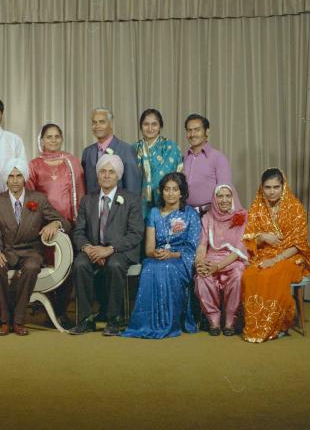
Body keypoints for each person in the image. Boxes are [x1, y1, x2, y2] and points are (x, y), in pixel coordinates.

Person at [0, 158, 69, 335]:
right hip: (6, 251)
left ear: (24, 178)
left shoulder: (38, 199)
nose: (15, 180)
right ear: (6, 179)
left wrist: (55, 224)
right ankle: (4, 319)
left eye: (18, 176)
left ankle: (19, 319)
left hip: (31, 252)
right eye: (11, 176)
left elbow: (64, 222)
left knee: (32, 267)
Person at [69, 154, 144, 336]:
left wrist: (109, 250)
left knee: (115, 264)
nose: (107, 175)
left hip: (119, 250)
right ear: (97, 175)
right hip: (93, 249)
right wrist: (89, 249)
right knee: (79, 264)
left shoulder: (131, 200)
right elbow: (78, 232)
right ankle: (86, 320)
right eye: (103, 171)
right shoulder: (88, 200)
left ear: (118, 175)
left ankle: (113, 320)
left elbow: (136, 234)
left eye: (111, 172)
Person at [121, 172, 201, 339]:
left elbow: (192, 248)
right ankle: (146, 323)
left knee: (167, 268)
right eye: (166, 189)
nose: (170, 193)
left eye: (175, 189)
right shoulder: (154, 213)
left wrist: (171, 254)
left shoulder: (190, 214)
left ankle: (168, 323)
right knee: (149, 268)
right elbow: (149, 249)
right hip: (157, 257)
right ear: (161, 192)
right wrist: (156, 253)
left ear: (182, 192)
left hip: (180, 259)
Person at [241, 168, 310, 343]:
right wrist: (262, 237)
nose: (272, 191)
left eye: (276, 187)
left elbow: (299, 245)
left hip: (289, 257)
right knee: (249, 275)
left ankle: (277, 326)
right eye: (267, 187)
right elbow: (248, 238)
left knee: (271, 275)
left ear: (283, 186)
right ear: (262, 187)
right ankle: (255, 325)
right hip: (263, 255)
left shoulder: (295, 209)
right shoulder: (257, 208)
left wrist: (275, 260)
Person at [26, 122, 86, 326]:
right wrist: (41, 222)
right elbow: (30, 197)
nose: (53, 140)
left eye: (56, 137)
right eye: (48, 137)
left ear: (61, 139)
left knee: (66, 264)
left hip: (69, 222)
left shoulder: (71, 161)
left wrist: (77, 221)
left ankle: (60, 312)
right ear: (41, 140)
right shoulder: (34, 164)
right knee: (48, 266)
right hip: (43, 226)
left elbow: (80, 191)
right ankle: (47, 309)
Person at [194, 184, 247, 336]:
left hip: (232, 260)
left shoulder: (242, 216)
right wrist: (200, 262)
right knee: (202, 276)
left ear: (233, 198)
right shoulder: (208, 218)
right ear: (214, 199)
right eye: (220, 196)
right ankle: (213, 320)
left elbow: (238, 249)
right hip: (211, 258)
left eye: (227, 196)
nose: (224, 200)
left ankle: (230, 320)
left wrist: (217, 267)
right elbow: (202, 244)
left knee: (237, 274)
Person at [133, 108, 183, 220]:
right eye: (146, 124)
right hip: (139, 205)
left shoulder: (171, 147)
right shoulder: (133, 149)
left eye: (154, 124)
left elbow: (174, 177)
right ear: (141, 127)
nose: (150, 128)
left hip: (166, 203)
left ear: (160, 126)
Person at [80, 107, 141, 196]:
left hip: (119, 207)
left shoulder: (126, 150)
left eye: (102, 122)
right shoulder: (87, 152)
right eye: (94, 123)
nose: (97, 126)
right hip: (93, 207)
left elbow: (132, 188)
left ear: (111, 124)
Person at [182, 114, 232, 213]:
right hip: (186, 215)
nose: (192, 134)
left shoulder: (218, 158)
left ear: (207, 131)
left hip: (210, 214)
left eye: (197, 130)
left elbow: (225, 192)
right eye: (189, 130)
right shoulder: (183, 158)